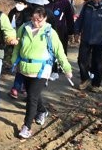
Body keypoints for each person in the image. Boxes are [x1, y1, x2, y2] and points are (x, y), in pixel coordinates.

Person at [11, 7, 72, 140]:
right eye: (33, 19)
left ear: (45, 19)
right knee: (33, 94)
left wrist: (67, 68)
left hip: (42, 70)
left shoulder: (50, 32)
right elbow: (17, 46)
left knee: (31, 97)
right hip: (25, 67)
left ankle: (26, 127)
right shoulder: (24, 28)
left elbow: (59, 51)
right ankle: (42, 111)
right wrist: (14, 61)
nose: (35, 22)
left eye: (39, 20)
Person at [45, 0, 75, 75]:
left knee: (61, 49)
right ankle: (51, 68)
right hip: (47, 30)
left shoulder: (64, 2)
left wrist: (71, 32)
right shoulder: (45, 1)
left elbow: (69, 18)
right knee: (48, 49)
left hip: (61, 31)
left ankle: (62, 66)